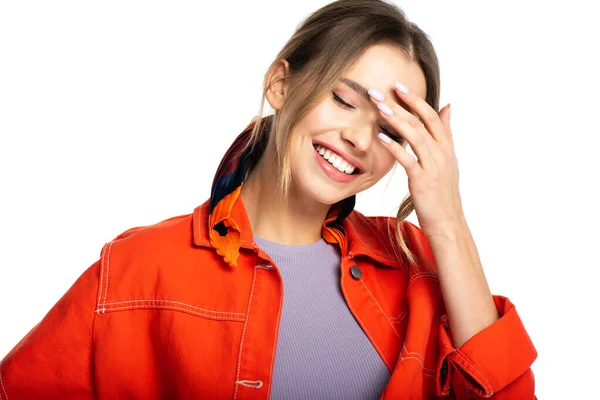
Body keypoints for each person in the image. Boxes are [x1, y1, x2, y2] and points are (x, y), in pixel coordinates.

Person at [0, 0, 537, 399]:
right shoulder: (138, 270)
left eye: (389, 132)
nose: (357, 139)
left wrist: (447, 219)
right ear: (281, 83)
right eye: (343, 99)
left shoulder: (419, 264)